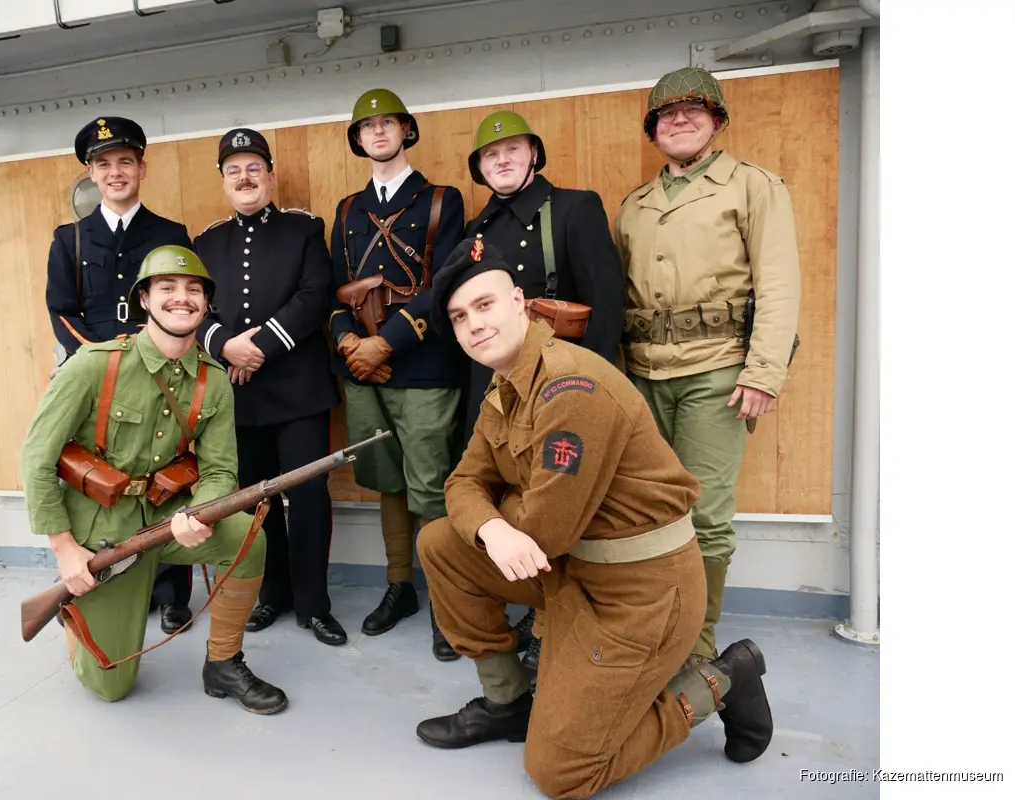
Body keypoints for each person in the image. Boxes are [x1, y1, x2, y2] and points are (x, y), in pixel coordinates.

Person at [413, 238, 774, 798]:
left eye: (484, 305)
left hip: (640, 595)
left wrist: (505, 516)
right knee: (442, 542)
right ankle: (508, 703)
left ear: (519, 302)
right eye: (460, 316)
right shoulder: (507, 385)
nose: (474, 324)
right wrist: (492, 527)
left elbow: (545, 534)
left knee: (561, 773)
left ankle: (719, 680)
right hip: (571, 571)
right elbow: (462, 483)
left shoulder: (569, 386)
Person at [20, 245, 289, 713]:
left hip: (167, 519)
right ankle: (76, 613)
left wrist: (200, 514)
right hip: (101, 534)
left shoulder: (213, 379)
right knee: (111, 687)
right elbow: (36, 457)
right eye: (167, 287)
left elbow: (220, 468)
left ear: (206, 304)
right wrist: (65, 550)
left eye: (193, 290)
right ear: (144, 299)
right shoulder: (94, 364)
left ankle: (223, 662)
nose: (181, 297)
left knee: (248, 534)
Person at [614, 67, 802, 664]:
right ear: (653, 130)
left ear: (717, 120)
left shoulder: (752, 186)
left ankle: (695, 648)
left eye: (694, 110)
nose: (680, 119)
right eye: (666, 114)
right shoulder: (634, 205)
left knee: (706, 512)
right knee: (647, 506)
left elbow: (779, 284)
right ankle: (654, 624)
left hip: (717, 372)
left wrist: (763, 372)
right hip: (643, 374)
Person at [462, 109, 628, 683]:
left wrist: (590, 389)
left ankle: (554, 623)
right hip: (499, 386)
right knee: (511, 490)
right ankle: (520, 607)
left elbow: (606, 303)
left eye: (512, 149)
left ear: (534, 154)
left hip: (564, 383)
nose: (502, 160)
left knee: (562, 499)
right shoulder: (476, 230)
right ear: (480, 169)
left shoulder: (575, 209)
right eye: (490, 155)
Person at [327, 88, 466, 661]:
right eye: (368, 126)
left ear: (407, 131)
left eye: (389, 123)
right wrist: (349, 344)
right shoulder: (347, 211)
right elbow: (336, 290)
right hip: (362, 369)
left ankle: (446, 602)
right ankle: (400, 585)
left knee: (429, 483)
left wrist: (387, 342)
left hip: (425, 362)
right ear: (357, 139)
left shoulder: (442, 200)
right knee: (386, 479)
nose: (379, 132)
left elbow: (448, 284)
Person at [193, 128, 345, 646]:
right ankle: (271, 594)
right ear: (223, 181)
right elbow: (197, 309)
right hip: (238, 398)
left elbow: (314, 295)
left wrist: (254, 349)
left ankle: (314, 604)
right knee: (254, 502)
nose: (244, 178)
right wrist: (223, 345)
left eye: (254, 168)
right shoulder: (206, 242)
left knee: (308, 497)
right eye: (233, 170)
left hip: (299, 391)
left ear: (271, 176)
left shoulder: (304, 229)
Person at [44, 115, 196, 634]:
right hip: (94, 382)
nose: (115, 172)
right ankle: (108, 579)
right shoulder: (70, 239)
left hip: (160, 376)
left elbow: (183, 303)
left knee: (164, 478)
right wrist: (103, 361)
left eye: (125, 162)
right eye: (104, 164)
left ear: (141, 169)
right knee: (99, 481)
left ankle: (172, 594)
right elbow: (62, 310)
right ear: (91, 173)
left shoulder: (171, 235)